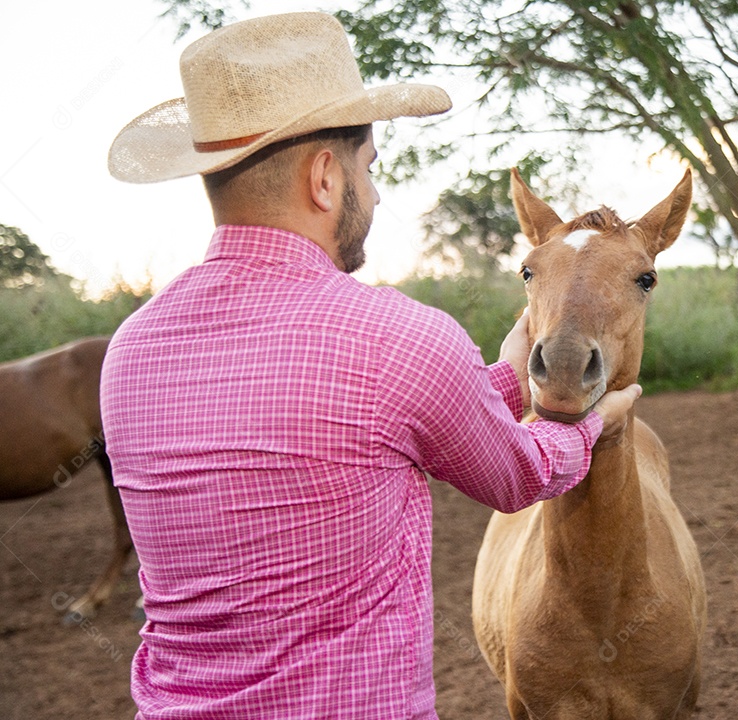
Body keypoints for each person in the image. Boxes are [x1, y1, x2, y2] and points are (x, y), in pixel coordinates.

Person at [101, 11, 641, 720]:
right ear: (325, 177)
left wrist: (506, 378)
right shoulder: (400, 337)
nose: (377, 194)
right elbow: (518, 474)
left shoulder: (130, 352)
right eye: (370, 168)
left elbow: (355, 434)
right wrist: (595, 422)